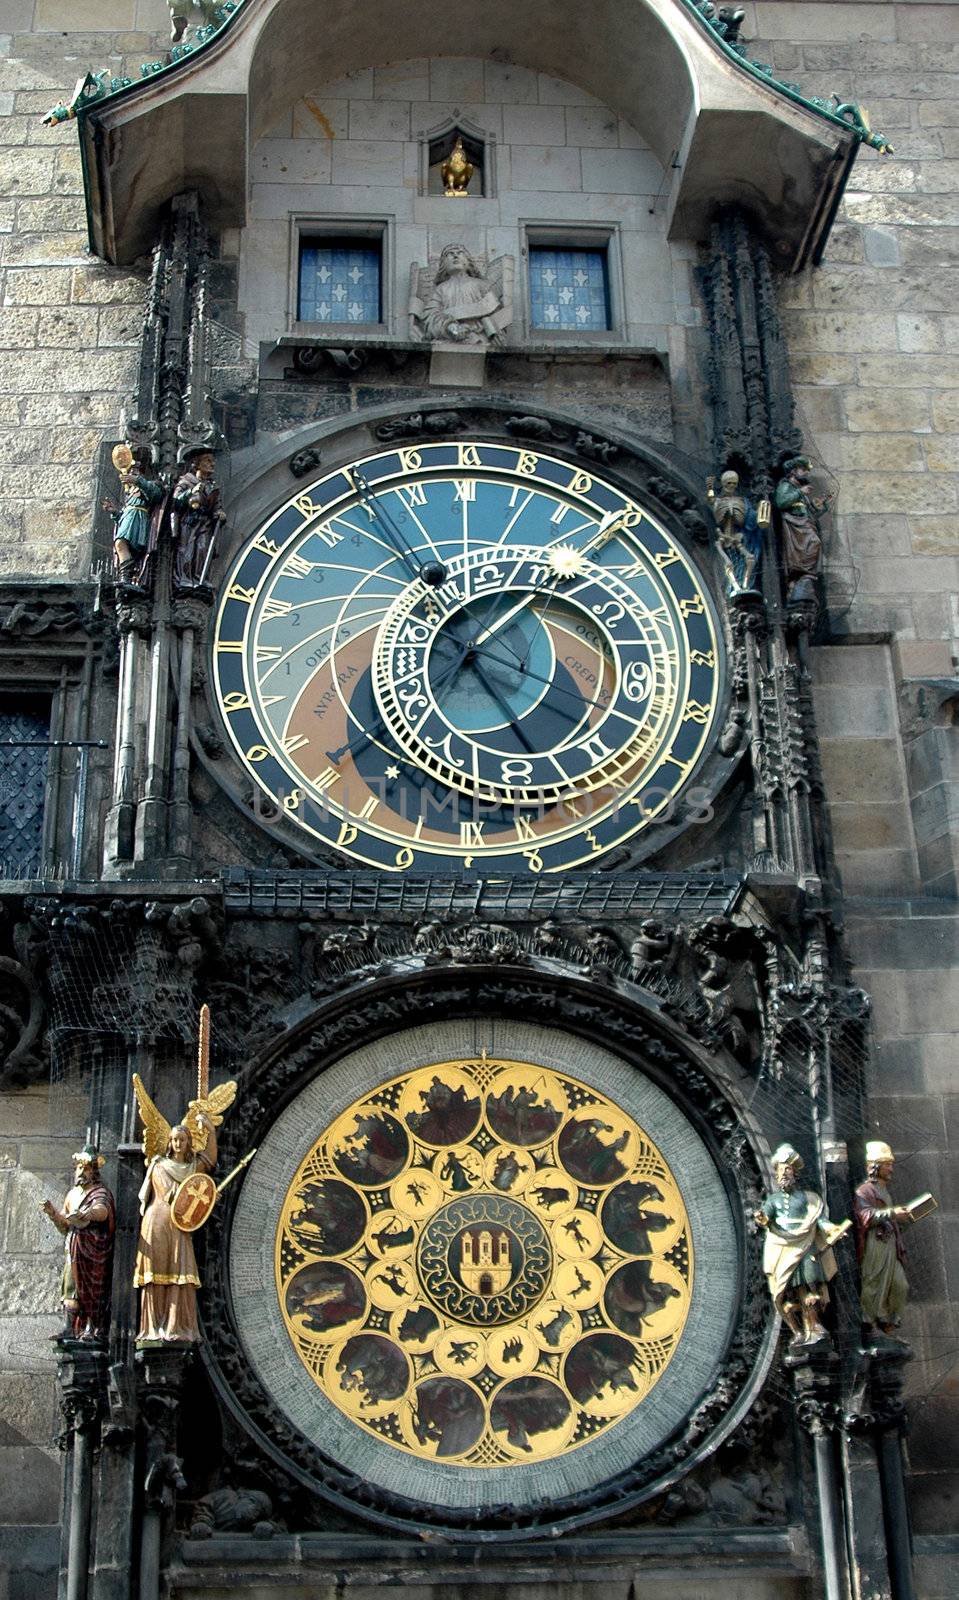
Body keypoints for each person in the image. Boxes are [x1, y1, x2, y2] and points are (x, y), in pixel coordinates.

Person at [754, 1144, 848, 1348]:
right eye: (780, 1169)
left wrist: (831, 1228)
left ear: (795, 1172)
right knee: (786, 1293)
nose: (783, 1173)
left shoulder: (806, 1198)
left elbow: (817, 1218)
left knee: (810, 1287)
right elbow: (765, 1216)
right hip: (783, 1246)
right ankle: (797, 1331)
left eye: (787, 1169)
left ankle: (813, 1328)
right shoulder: (774, 1200)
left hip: (805, 1246)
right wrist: (761, 1218)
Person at [134, 1112, 216, 1345]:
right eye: (174, 1139)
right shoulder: (159, 1166)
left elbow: (209, 1159)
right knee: (157, 1275)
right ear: (169, 1143)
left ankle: (178, 1325)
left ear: (189, 1143)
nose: (178, 1143)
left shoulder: (191, 1168)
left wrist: (209, 1129)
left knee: (182, 1274)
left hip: (180, 1225)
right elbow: (175, 1196)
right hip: (159, 1222)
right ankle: (153, 1327)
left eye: (182, 1139)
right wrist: (205, 1198)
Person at [42, 1145, 115, 1341]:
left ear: (94, 1171)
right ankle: (69, 1328)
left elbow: (103, 1211)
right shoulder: (72, 1195)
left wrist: (86, 1214)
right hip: (73, 1246)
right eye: (79, 1168)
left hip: (93, 1248)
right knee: (71, 1288)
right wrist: (53, 1214)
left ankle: (92, 1328)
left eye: (86, 1169)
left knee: (91, 1289)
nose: (81, 1172)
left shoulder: (100, 1191)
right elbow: (65, 1226)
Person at [853, 1140, 915, 1339]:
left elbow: (889, 1219)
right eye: (887, 1164)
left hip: (889, 1244)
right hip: (875, 1245)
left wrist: (905, 1219)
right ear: (875, 1166)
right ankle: (869, 1323)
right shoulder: (864, 1190)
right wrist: (891, 1213)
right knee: (873, 1283)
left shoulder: (884, 1191)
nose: (891, 1169)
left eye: (891, 1164)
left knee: (900, 1285)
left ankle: (889, 1324)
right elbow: (865, 1216)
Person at [108, 443, 164, 586]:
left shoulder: (152, 484)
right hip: (129, 517)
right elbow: (123, 515)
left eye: (135, 472)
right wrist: (114, 511)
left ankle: (126, 577)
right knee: (120, 545)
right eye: (131, 472)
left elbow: (156, 495)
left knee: (121, 543)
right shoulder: (130, 492)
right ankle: (126, 577)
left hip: (138, 518)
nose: (132, 474)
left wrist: (138, 481)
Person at [774, 456, 830, 599]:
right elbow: (781, 502)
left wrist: (821, 504)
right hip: (795, 527)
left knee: (814, 544)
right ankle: (799, 576)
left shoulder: (799, 490)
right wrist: (801, 492)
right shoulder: (786, 486)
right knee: (813, 543)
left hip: (804, 524)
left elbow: (809, 512)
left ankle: (806, 575)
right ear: (793, 471)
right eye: (803, 469)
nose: (805, 473)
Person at [172, 449, 225, 588]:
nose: (212, 463)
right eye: (208, 460)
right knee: (187, 550)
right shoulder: (187, 481)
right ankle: (185, 577)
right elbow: (176, 500)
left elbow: (217, 506)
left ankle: (199, 577)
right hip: (189, 522)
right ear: (197, 464)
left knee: (202, 549)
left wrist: (219, 513)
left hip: (205, 523)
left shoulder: (213, 486)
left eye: (213, 460)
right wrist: (191, 491)